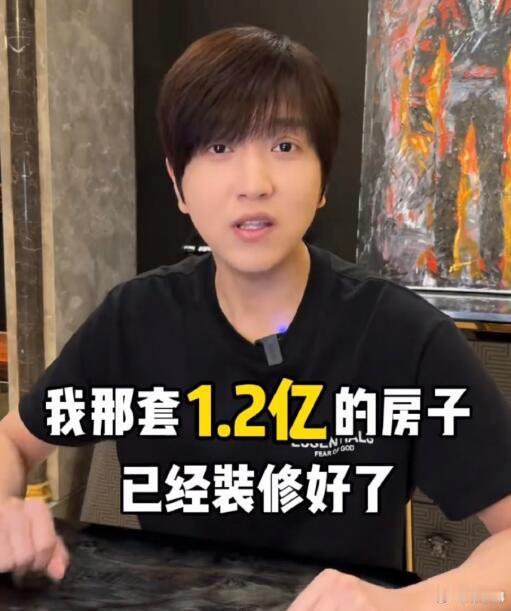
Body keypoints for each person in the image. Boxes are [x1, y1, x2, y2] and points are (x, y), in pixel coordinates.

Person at [0, 25, 511, 610]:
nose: (254, 184)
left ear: (323, 178)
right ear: (178, 184)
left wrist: (405, 605)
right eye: (219, 148)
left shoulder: (403, 336)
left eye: (285, 146)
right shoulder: (134, 320)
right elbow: (13, 442)